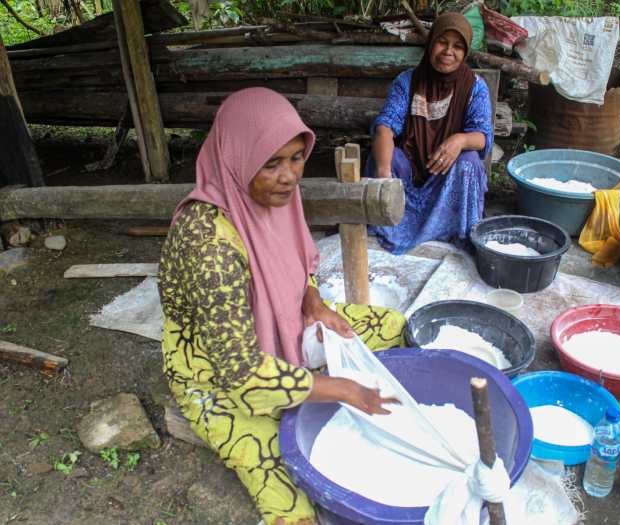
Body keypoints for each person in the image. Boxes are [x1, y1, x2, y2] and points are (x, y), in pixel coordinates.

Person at [158, 87, 405, 525]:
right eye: (270, 163)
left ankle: (307, 371)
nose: (289, 176)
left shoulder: (271, 195)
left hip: (285, 317)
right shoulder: (210, 246)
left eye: (296, 157)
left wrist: (314, 304)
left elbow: (295, 262)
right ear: (236, 158)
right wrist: (344, 391)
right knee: (285, 487)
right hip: (214, 369)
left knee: (393, 326)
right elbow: (241, 371)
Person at [366, 12, 493, 255]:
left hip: (446, 178)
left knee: (469, 162)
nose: (448, 51)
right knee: (385, 155)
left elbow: (482, 136)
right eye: (442, 41)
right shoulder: (408, 82)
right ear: (431, 42)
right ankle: (394, 227)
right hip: (410, 177)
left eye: (457, 46)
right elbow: (385, 127)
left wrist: (459, 140)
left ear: (465, 53)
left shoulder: (475, 87)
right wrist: (384, 178)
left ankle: (457, 233)